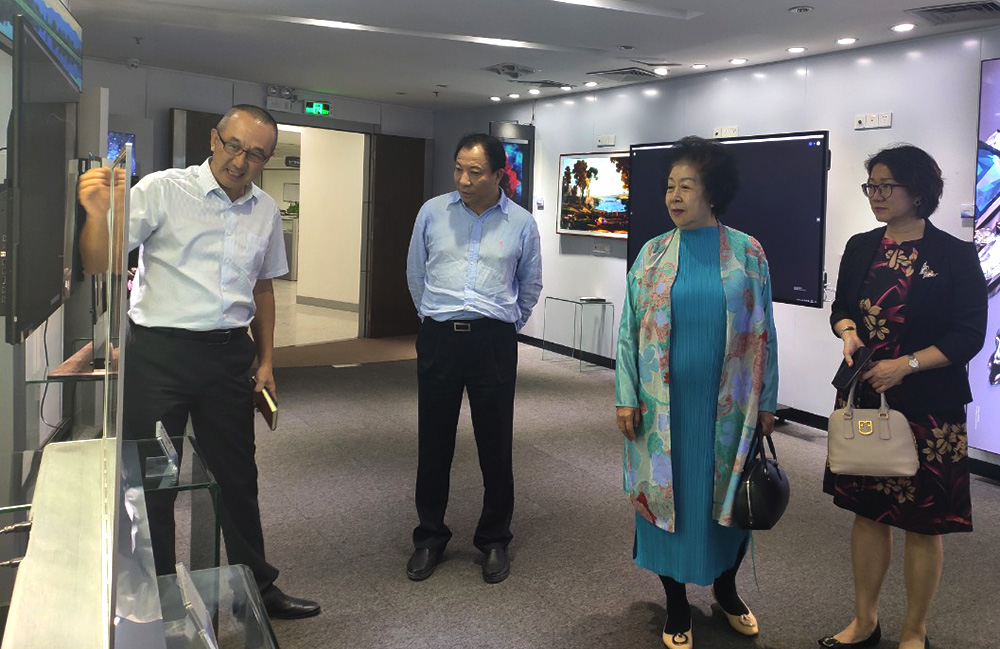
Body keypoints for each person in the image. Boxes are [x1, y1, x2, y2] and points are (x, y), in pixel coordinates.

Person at [77, 105, 320, 620]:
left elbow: (263, 288)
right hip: (159, 356)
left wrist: (267, 361)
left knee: (238, 478)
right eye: (234, 146)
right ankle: (159, 597)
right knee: (153, 481)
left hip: (230, 357)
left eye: (256, 154)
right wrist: (99, 215)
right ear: (214, 139)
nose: (241, 161)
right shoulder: (163, 190)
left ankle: (256, 590)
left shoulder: (264, 210)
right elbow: (100, 262)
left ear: (267, 159)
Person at [615, 136, 778, 649]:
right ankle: (677, 603)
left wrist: (767, 402)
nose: (674, 196)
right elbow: (628, 331)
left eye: (686, 186)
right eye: (670, 186)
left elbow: (765, 333)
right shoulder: (653, 254)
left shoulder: (748, 253)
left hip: (729, 409)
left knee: (727, 503)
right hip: (663, 409)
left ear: (713, 193)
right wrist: (625, 395)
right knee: (671, 502)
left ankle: (727, 590)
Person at [822, 145, 987, 649]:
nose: (875, 195)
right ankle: (864, 621)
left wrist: (906, 365)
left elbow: (969, 336)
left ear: (918, 190)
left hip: (930, 408)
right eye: (870, 186)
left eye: (885, 186)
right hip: (866, 398)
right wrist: (848, 331)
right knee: (868, 514)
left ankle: (915, 631)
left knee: (924, 523)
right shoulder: (861, 246)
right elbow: (841, 307)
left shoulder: (954, 254)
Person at [405, 133, 542, 584]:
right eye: (458, 169)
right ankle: (429, 537)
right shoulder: (432, 212)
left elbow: (530, 284)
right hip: (440, 338)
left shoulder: (521, 223)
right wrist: (434, 319)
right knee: (434, 443)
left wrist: (504, 326)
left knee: (495, 445)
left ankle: (494, 539)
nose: (463, 180)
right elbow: (416, 274)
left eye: (475, 172)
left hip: (493, 343)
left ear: (499, 175)